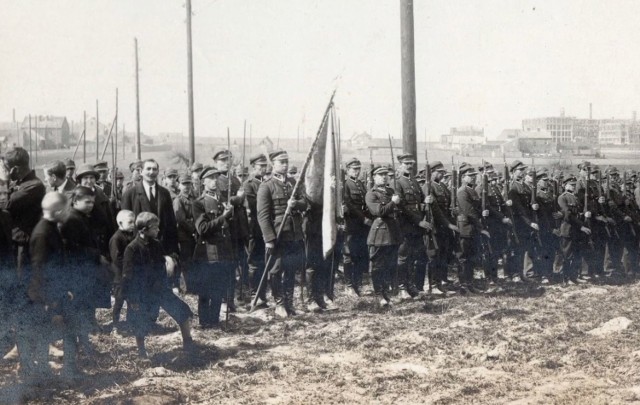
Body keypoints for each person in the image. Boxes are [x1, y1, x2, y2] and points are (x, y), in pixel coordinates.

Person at [122, 212, 194, 358]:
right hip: (142, 293)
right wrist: (132, 299)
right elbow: (128, 277)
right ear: (143, 230)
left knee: (182, 311)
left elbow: (162, 267)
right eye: (155, 228)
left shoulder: (157, 244)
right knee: (140, 323)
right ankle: (141, 351)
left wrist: (168, 285)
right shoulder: (132, 249)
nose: (158, 230)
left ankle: (188, 342)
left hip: (160, 289)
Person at [28, 192, 74, 378]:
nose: (70, 212)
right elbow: (39, 269)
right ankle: (44, 373)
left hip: (55, 291)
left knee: (63, 329)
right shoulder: (42, 233)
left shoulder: (51, 227)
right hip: (45, 295)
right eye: (68, 208)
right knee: (44, 333)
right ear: (58, 211)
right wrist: (49, 299)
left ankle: (67, 370)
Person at [257, 150, 307, 318]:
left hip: (294, 233)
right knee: (276, 270)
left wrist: (296, 204)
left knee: (291, 269)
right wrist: (269, 239)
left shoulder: (293, 183)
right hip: (278, 234)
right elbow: (263, 215)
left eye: (286, 162)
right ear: (273, 164)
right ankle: (279, 304)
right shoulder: (267, 186)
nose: (285, 165)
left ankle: (289, 303)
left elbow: (305, 203)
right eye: (281, 162)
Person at [59, 186, 102, 355]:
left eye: (93, 202)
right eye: (87, 202)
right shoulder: (71, 219)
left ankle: (84, 344)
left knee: (83, 310)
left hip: (83, 271)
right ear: (75, 201)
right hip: (75, 272)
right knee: (77, 311)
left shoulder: (81, 216)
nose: (91, 205)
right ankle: (77, 347)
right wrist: (95, 253)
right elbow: (71, 248)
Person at [190, 168, 235, 328]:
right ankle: (204, 321)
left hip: (223, 251)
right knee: (205, 290)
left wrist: (230, 215)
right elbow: (202, 229)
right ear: (203, 182)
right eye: (211, 178)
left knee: (219, 289)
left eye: (216, 177)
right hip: (207, 253)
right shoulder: (198, 203)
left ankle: (214, 321)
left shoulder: (223, 200)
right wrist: (224, 218)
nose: (215, 181)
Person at [213, 150, 249, 310]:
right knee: (225, 265)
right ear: (216, 163)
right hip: (225, 227)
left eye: (228, 160)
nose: (226, 163)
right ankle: (223, 300)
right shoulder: (216, 180)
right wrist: (237, 198)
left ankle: (232, 300)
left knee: (236, 263)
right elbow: (222, 202)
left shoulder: (234, 179)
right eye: (222, 161)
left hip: (238, 228)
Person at [121, 159, 179, 257]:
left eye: (154, 169)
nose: (151, 172)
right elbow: (126, 228)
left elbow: (171, 223)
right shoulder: (130, 194)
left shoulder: (164, 193)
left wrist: (173, 250)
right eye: (148, 169)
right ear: (141, 171)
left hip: (162, 248)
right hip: (140, 250)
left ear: (158, 172)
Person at [393, 154, 430, 298]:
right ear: (400, 165)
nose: (409, 166)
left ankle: (410, 285)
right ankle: (401, 287)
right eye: (406, 163)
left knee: (414, 257)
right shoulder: (397, 183)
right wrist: (418, 221)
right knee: (403, 258)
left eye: (411, 164)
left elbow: (419, 202)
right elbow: (402, 207)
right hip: (405, 226)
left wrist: (425, 202)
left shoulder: (414, 182)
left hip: (417, 227)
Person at [5, 147, 46, 274]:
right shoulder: (18, 183)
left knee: (21, 282)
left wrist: (4, 180)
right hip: (12, 240)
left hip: (23, 245)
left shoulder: (34, 186)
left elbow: (6, 204)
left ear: (15, 169)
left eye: (6, 168)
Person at [366, 166, 401, 306]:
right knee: (378, 265)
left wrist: (396, 203)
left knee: (390, 265)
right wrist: (393, 202)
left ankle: (387, 293)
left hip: (392, 232)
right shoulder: (371, 194)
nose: (384, 177)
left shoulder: (391, 191)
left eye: (386, 174)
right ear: (374, 177)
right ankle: (379, 294)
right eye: (380, 175)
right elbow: (378, 211)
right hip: (380, 233)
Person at [456, 163, 490, 293]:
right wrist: (481, 228)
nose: (473, 178)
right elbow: (469, 212)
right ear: (463, 177)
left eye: (474, 175)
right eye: (470, 176)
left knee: (470, 258)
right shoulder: (462, 192)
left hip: (472, 229)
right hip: (465, 228)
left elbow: (476, 209)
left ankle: (469, 284)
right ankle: (464, 286)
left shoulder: (472, 190)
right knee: (464, 258)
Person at [342, 158, 372, 297]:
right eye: (354, 169)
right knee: (349, 255)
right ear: (347, 170)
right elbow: (350, 205)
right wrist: (363, 218)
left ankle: (359, 283)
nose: (357, 171)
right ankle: (349, 286)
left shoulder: (361, 184)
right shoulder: (345, 185)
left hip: (363, 225)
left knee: (361, 254)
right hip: (351, 224)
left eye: (358, 169)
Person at [243, 153, 269, 307]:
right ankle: (254, 294)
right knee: (254, 261)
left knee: (266, 262)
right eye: (260, 166)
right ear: (253, 167)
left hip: (267, 227)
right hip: (255, 228)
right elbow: (253, 206)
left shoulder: (268, 182)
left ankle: (263, 294)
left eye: (265, 166)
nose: (263, 169)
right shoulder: (249, 184)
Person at [109, 210, 136, 326]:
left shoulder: (131, 236)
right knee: (119, 301)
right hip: (119, 277)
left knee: (132, 300)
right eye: (130, 222)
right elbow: (117, 258)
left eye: (134, 222)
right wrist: (130, 266)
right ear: (120, 223)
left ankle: (130, 322)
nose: (133, 225)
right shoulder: (116, 238)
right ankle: (116, 324)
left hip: (129, 276)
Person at [173, 173, 196, 288]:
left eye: (188, 184)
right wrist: (193, 229)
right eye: (184, 184)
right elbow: (181, 219)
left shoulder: (194, 198)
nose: (187, 186)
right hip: (184, 235)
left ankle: (193, 284)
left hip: (194, 234)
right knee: (186, 261)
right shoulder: (178, 200)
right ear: (179, 186)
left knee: (194, 259)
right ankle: (187, 286)